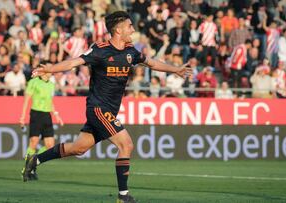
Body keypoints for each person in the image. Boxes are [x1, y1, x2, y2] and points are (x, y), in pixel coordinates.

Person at [23, 11, 192, 203]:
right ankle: (123, 196)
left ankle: (34, 160)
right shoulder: (100, 49)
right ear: (118, 30)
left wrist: (176, 69)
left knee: (78, 148)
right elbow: (73, 62)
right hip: (98, 108)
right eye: (129, 26)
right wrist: (50, 69)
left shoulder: (130, 51)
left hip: (109, 110)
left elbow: (151, 63)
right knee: (126, 144)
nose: (133, 29)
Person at [20, 62, 63, 181]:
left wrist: (56, 114)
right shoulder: (33, 82)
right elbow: (26, 100)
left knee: (50, 145)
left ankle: (32, 165)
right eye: (49, 68)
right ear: (43, 70)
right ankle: (26, 169)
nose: (51, 70)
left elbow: (50, 101)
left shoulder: (51, 84)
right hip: (36, 114)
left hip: (47, 115)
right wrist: (22, 117)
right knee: (33, 143)